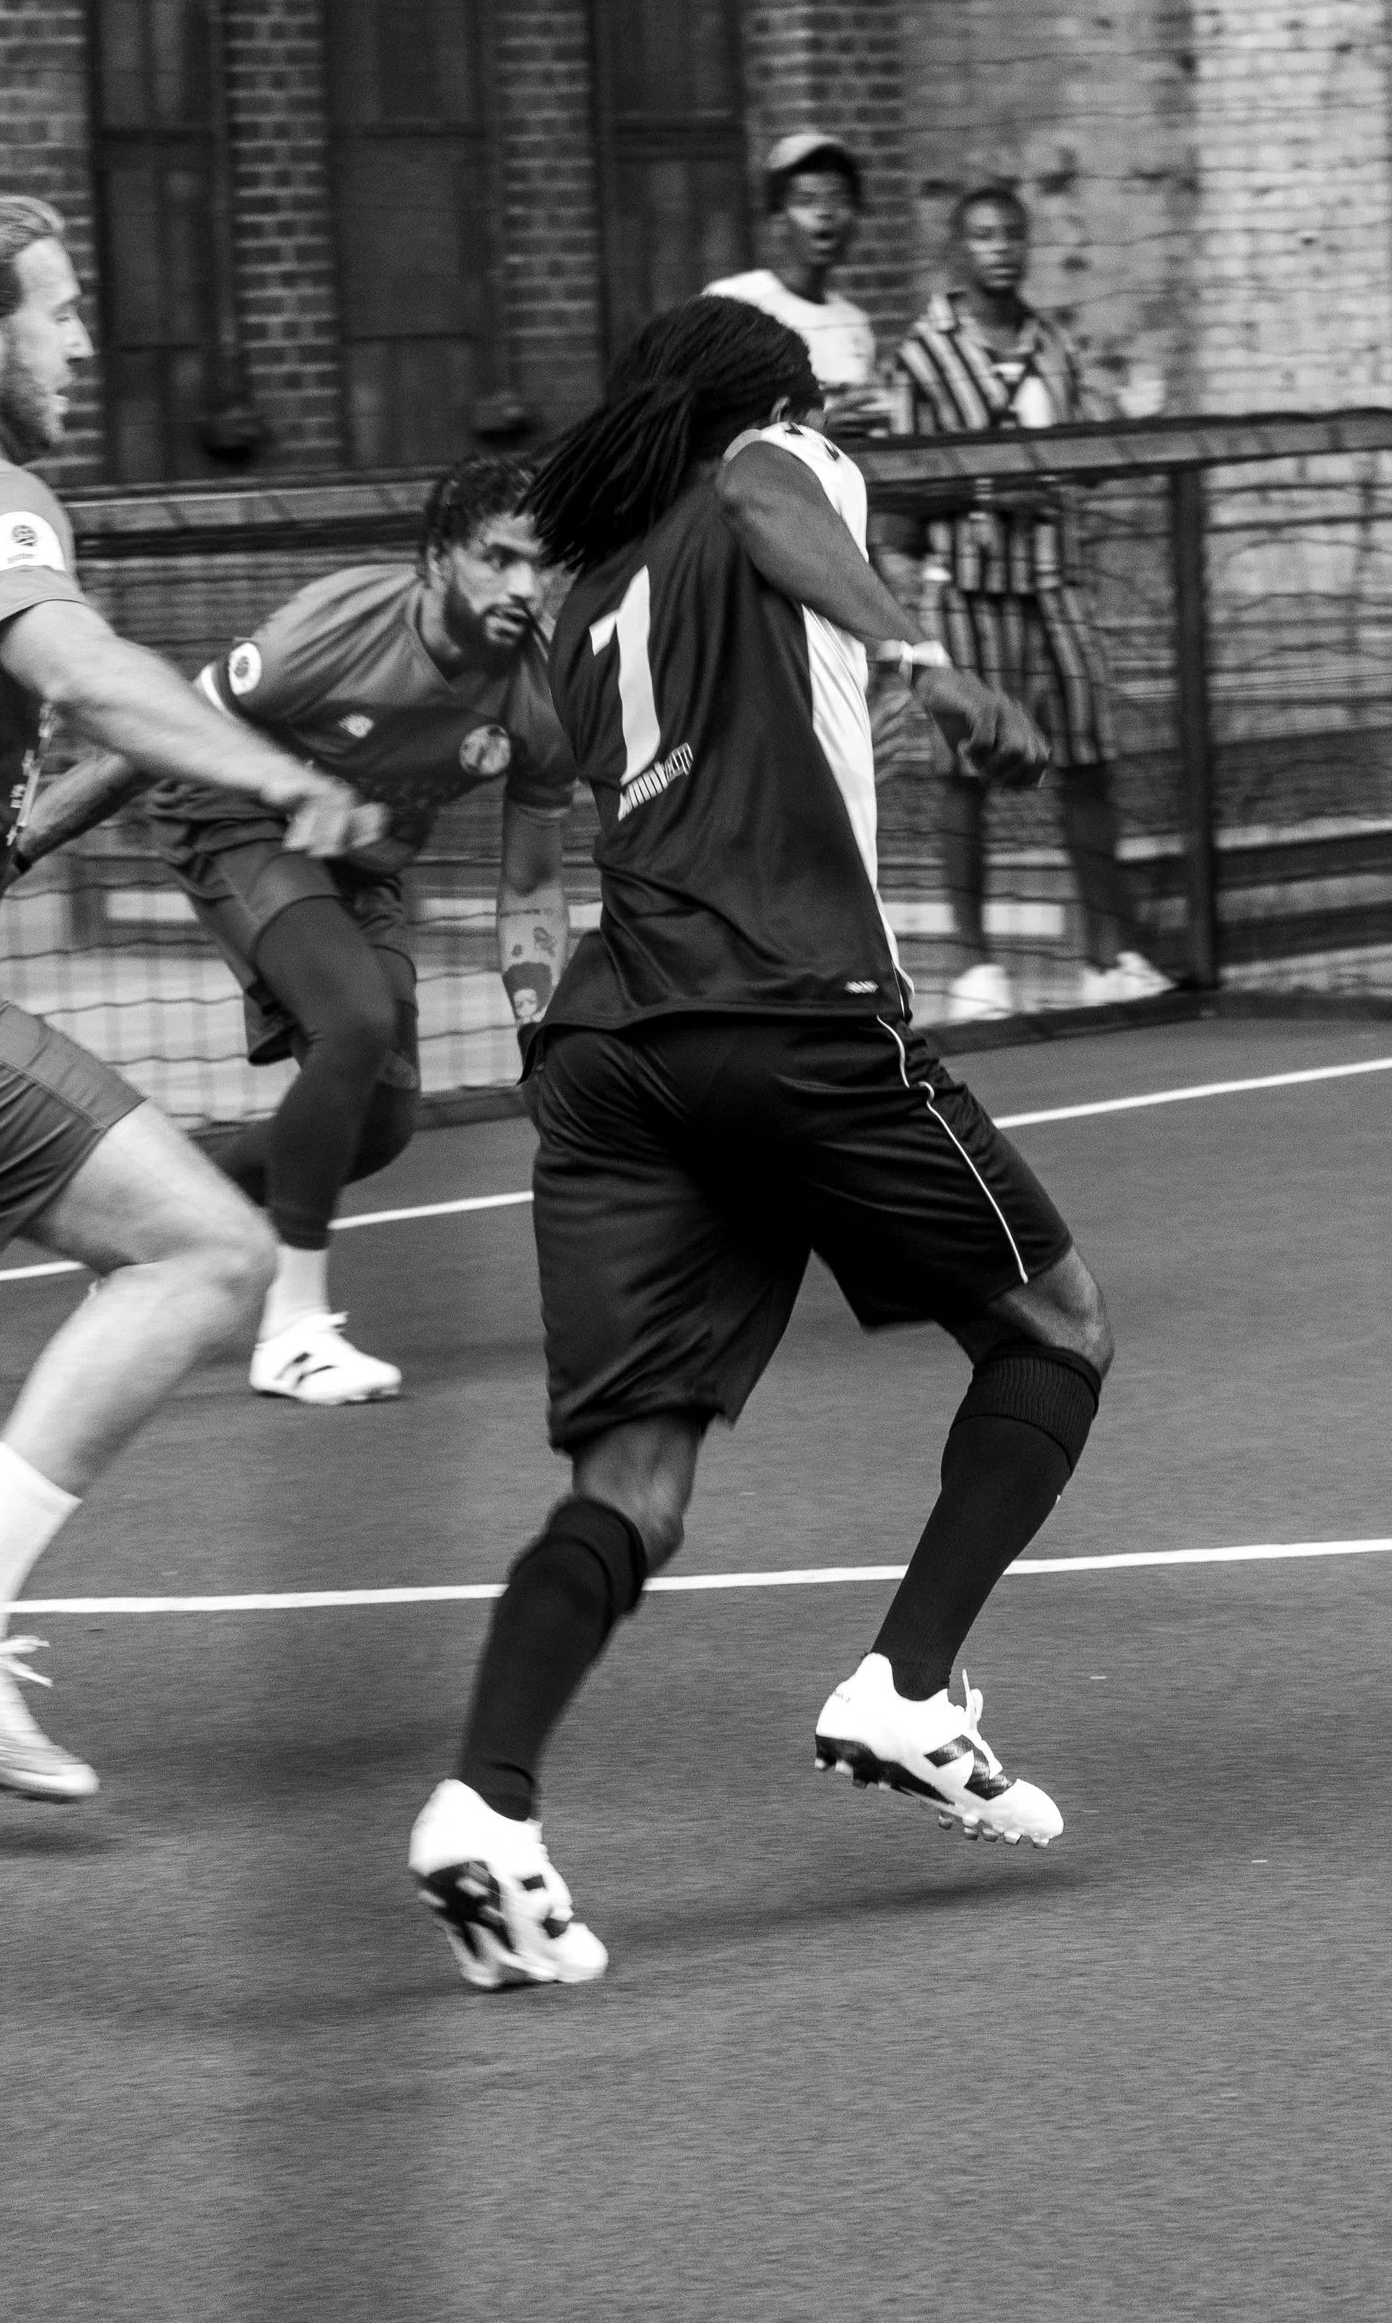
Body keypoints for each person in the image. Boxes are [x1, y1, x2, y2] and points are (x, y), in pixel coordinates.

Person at [407, 294, 1112, 1991]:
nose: (839, 434)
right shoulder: (771, 468)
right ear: (771, 404)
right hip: (788, 1013)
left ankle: (486, 1805)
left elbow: (607, 773)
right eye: (824, 406)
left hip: (613, 1052)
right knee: (1054, 1326)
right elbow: (766, 502)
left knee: (632, 1489)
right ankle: (910, 1683)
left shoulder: (576, 603)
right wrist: (927, 662)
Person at [0, 195, 378, 1803]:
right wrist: (279, 774)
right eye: (65, 314)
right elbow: (85, 669)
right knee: (206, 1247)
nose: (89, 343)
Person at [12, 457, 575, 1408]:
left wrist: (542, 1038)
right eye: (499, 558)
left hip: (361, 858)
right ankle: (295, 1333)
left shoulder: (541, 700)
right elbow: (158, 730)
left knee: (384, 1123)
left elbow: (531, 887)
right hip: (231, 809)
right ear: (439, 559)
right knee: (351, 1022)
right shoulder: (337, 625)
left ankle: (149, 1238)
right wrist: (21, 847)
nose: (525, 586)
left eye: (543, 564)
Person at [892, 184, 1170, 1022]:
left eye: (1012, 235)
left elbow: (1080, 458)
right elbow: (903, 487)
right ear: (957, 250)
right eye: (982, 236)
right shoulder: (922, 356)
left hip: (1056, 581)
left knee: (1087, 757)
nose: (1000, 249)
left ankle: (1106, 952)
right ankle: (976, 966)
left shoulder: (1053, 344)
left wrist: (1127, 426)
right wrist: (986, 489)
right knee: (966, 772)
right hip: (970, 590)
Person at [704, 126, 889, 437]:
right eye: (806, 200)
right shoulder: (734, 303)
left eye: (839, 198)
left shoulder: (854, 323)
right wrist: (812, 427)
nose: (825, 212)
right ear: (778, 219)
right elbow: (708, 418)